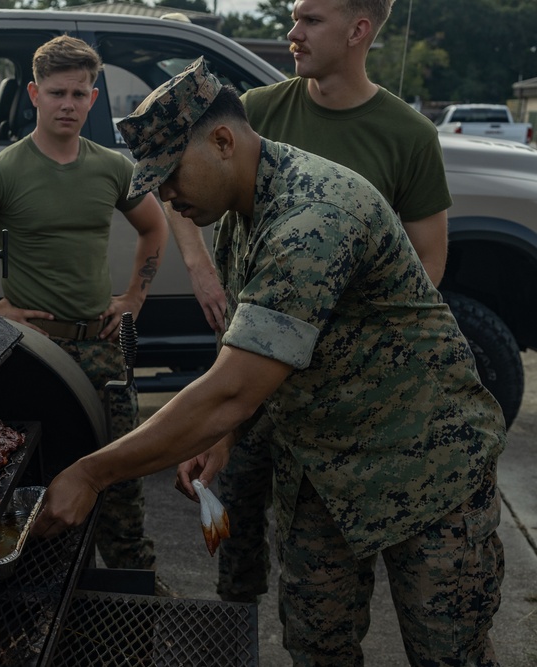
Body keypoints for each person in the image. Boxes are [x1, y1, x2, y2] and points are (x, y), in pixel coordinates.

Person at [32, 58, 505, 666]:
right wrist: (222, 437)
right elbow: (250, 357)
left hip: (424, 465)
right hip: (322, 468)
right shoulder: (244, 209)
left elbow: (233, 388)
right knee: (315, 646)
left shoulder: (312, 217)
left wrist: (93, 473)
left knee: (449, 653)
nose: (168, 197)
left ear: (224, 141)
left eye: (171, 175)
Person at [166, 0, 452, 605]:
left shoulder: (409, 135)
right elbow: (185, 179)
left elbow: (427, 263)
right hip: (255, 361)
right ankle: (234, 621)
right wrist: (199, 265)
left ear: (359, 30)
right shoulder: (256, 114)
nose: (292, 33)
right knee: (232, 513)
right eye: (293, 16)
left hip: (338, 390)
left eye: (310, 20)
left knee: (329, 560)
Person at [0, 36, 172, 592]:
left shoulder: (112, 168)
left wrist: (133, 299)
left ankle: (131, 594)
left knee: (121, 480)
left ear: (93, 99)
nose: (67, 104)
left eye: (78, 93)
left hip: (99, 348)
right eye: (56, 93)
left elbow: (154, 227)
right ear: (33, 96)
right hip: (34, 351)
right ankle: (32, 589)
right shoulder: (4, 171)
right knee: (29, 478)